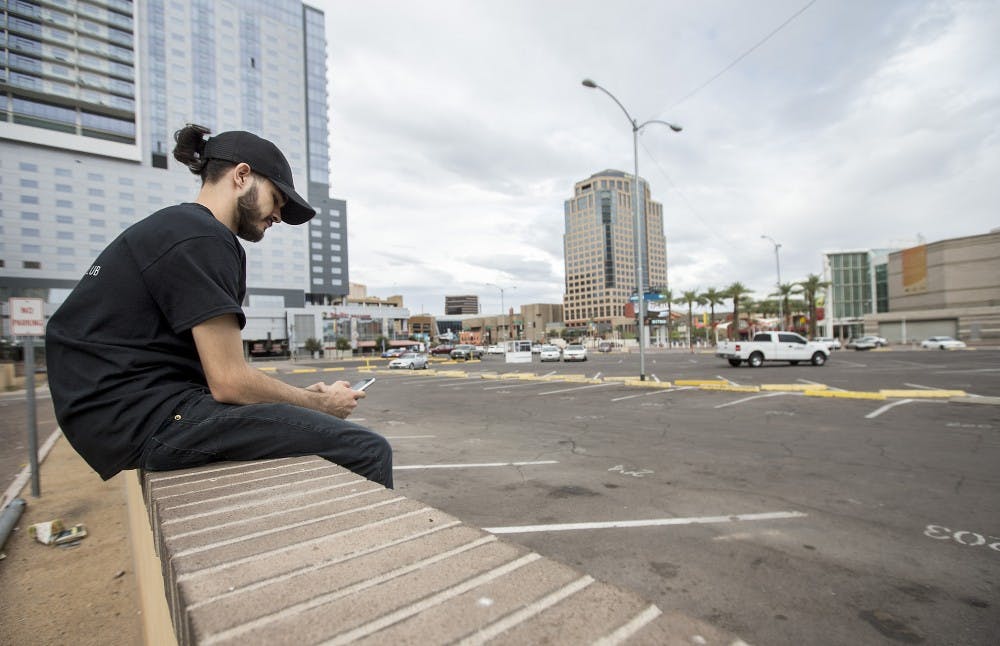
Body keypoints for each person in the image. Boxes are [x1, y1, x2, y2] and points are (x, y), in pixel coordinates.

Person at [45, 125, 393, 488]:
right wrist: (322, 406)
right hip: (145, 416)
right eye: (276, 199)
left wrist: (305, 398)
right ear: (242, 175)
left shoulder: (176, 226)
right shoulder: (204, 237)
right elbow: (229, 382)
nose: (277, 216)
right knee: (366, 449)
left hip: (119, 415)